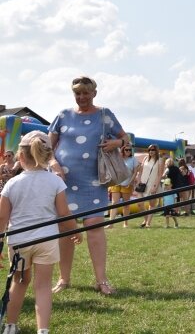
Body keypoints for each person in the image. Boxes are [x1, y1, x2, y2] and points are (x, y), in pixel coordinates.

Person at [48, 75, 128, 296]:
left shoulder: (105, 115)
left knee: (94, 228)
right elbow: (48, 147)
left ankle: (101, 280)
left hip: (94, 182)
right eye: (77, 93)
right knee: (65, 231)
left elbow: (126, 137)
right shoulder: (63, 115)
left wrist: (117, 142)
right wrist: (54, 163)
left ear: (94, 93)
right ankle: (64, 278)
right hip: (64, 183)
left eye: (86, 92)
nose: (82, 97)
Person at [0, 131, 82, 334]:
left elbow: (2, 217)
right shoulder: (55, 182)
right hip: (47, 240)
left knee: (19, 283)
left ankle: (10, 326)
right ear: (48, 156)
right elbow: (64, 213)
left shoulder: (12, 183)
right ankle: (43, 330)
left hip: (18, 241)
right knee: (43, 286)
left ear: (20, 157)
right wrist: (75, 230)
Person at [107, 144, 141, 229]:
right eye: (126, 150)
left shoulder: (133, 159)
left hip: (127, 184)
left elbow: (135, 172)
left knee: (126, 204)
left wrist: (130, 182)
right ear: (123, 150)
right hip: (116, 183)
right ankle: (111, 223)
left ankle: (125, 223)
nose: (128, 151)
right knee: (114, 203)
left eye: (130, 150)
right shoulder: (118, 158)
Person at [137, 144, 165, 229]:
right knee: (140, 204)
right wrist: (138, 180)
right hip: (142, 184)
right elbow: (140, 171)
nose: (151, 151)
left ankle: (148, 223)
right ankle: (146, 220)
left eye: (153, 150)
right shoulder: (145, 158)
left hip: (153, 184)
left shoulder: (160, 160)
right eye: (149, 150)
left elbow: (160, 174)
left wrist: (155, 186)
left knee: (152, 204)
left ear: (156, 150)